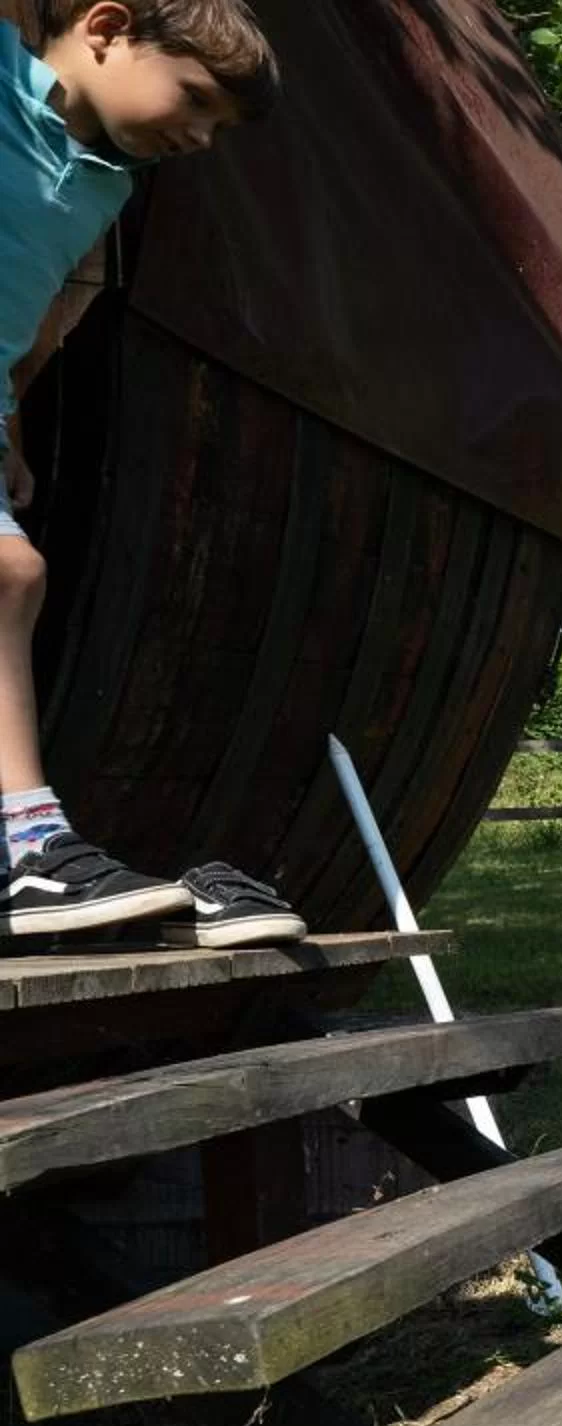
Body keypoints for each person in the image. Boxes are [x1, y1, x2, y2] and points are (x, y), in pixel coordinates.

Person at [3, 0, 301, 946]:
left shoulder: (106, 185)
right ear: (107, 28)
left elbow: (25, 316)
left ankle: (26, 848)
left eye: (221, 125)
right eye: (197, 98)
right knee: (9, 574)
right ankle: (27, 848)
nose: (203, 137)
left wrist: (10, 430)